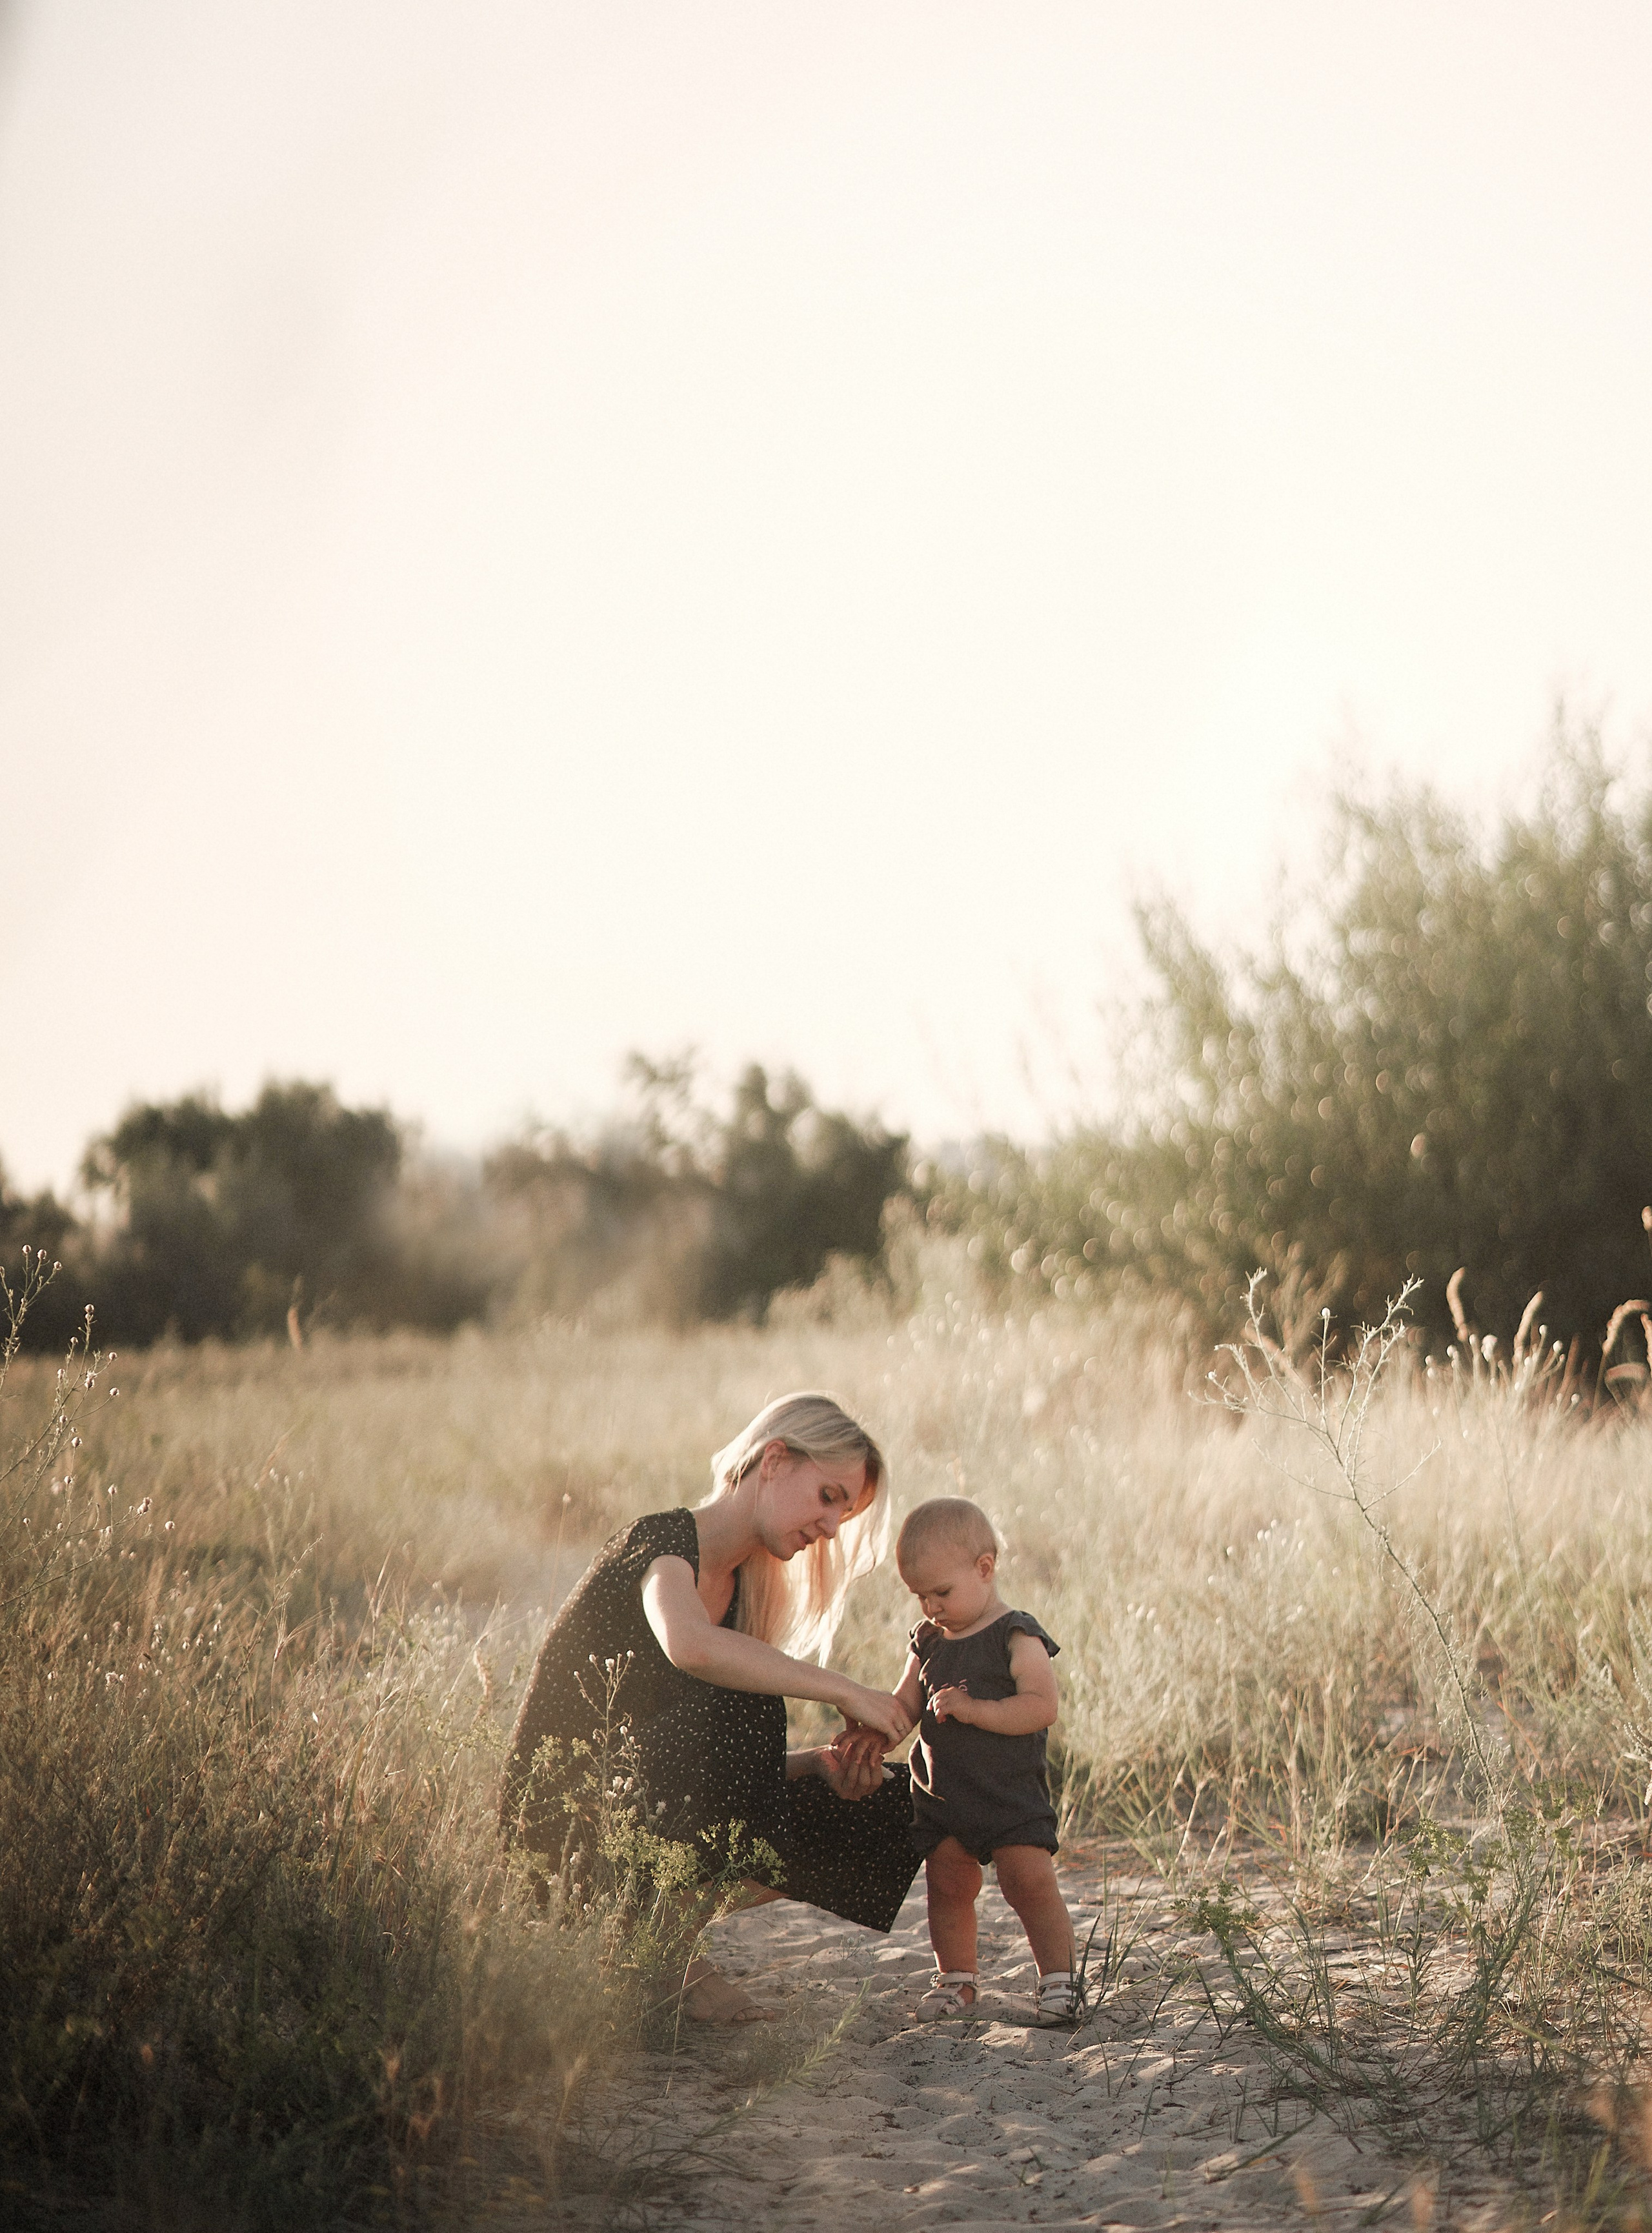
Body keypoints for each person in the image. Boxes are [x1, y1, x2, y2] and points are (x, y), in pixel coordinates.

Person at [499, 1392, 918, 2022]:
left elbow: (704, 1764)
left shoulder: (747, 1588)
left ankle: (657, 1941)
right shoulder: (662, 1541)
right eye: (829, 1496)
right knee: (749, 1703)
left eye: (846, 1511)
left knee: (892, 1803)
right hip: (560, 1831)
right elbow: (688, 1646)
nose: (833, 1526)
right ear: (774, 1460)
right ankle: (659, 1955)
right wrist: (843, 1690)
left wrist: (813, 1764)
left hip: (640, 1808)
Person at [887, 1495, 1083, 2027]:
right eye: (920, 1596)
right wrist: (871, 1731)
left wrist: (975, 1710)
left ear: (984, 1568)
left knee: (1029, 1883)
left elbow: (1041, 1707)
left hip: (1008, 1792)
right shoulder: (928, 1642)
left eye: (942, 1592)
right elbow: (905, 1706)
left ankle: (1061, 1979)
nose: (931, 1607)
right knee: (948, 1887)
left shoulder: (1016, 1635)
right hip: (943, 1794)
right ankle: (956, 1978)